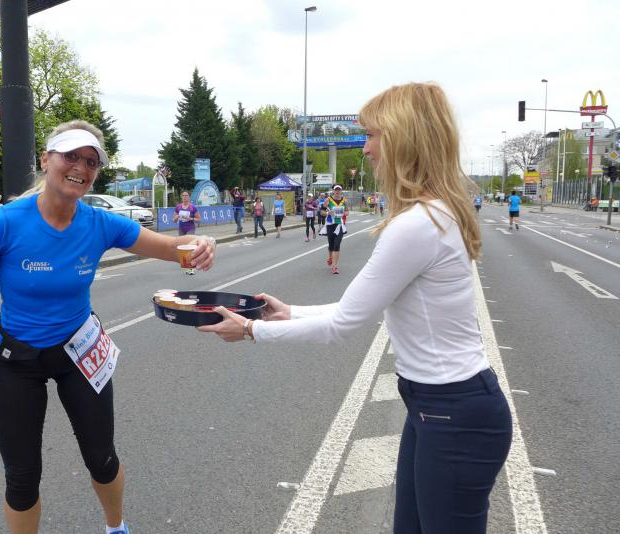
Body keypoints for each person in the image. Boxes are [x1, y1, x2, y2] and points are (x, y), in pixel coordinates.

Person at [199, 82, 511, 534]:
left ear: (404, 138)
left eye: (373, 135)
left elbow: (343, 325)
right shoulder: (437, 213)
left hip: (452, 414)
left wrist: (252, 331)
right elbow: (355, 309)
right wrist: (288, 312)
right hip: (441, 408)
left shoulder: (416, 225)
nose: (365, 149)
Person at [0, 120, 216, 534]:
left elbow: (167, 246)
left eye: (91, 162)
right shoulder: (5, 222)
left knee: (102, 458)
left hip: (80, 353)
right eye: (71, 156)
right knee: (22, 478)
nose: (81, 168)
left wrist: (201, 245)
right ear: (45, 160)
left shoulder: (99, 223)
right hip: (17, 359)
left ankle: (116, 527)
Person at [319, 184, 348, 274]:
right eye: (336, 190)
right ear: (333, 191)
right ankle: (331, 256)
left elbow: (347, 212)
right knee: (331, 245)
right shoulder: (328, 200)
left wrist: (345, 213)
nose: (337, 191)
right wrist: (328, 213)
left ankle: (334, 266)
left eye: (339, 190)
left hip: (339, 225)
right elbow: (321, 212)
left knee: (337, 245)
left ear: (341, 191)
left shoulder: (344, 201)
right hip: (330, 225)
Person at [174, 190, 201, 274]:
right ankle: (186, 264)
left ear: (189, 197)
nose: (185, 197)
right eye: (183, 195)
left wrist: (191, 218)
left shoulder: (193, 207)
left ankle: (191, 267)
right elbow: (174, 220)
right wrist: (177, 217)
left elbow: (198, 219)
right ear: (181, 197)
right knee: (182, 247)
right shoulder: (178, 207)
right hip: (181, 229)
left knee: (190, 247)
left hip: (190, 228)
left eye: (186, 196)